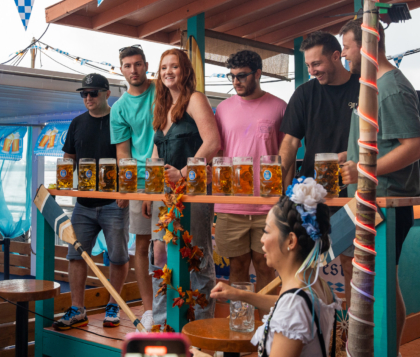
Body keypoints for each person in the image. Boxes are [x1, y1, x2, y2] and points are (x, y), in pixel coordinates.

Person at [339, 18, 420, 354]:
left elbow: (415, 147)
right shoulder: (372, 86)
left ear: (367, 46)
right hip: (365, 204)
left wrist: (361, 171)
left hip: (387, 205)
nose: (344, 54)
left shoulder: (392, 87)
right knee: (369, 285)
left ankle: (391, 351)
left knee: (384, 285)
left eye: (347, 47)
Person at [210, 178, 339, 357]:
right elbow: (285, 304)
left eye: (267, 231)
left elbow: (290, 308)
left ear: (291, 241)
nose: (262, 239)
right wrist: (239, 294)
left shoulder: (293, 304)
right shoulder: (315, 285)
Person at [278, 30, 359, 307]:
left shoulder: (363, 89)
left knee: (352, 267)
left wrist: (351, 155)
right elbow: (289, 143)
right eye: (308, 66)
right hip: (310, 197)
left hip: (352, 193)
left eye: (317, 64)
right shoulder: (304, 94)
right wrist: (276, 182)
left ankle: (352, 335)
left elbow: (379, 138)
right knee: (304, 266)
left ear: (337, 56)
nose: (312, 71)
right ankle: (307, 329)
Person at [144, 49, 221, 325]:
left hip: (194, 191)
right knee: (160, 253)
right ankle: (165, 322)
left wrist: (185, 173)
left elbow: (212, 142)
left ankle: (202, 324)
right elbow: (156, 150)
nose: (168, 72)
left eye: (174, 66)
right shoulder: (162, 106)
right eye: (163, 67)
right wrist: (148, 192)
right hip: (164, 194)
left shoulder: (195, 99)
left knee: (197, 253)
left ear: (185, 70)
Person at [54, 73, 130, 330]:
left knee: (118, 256)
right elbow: (68, 159)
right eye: (84, 94)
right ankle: (77, 309)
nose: (88, 97)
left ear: (107, 94)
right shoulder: (76, 123)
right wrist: (62, 187)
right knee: (75, 255)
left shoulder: (119, 120)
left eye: (93, 93)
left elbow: (126, 157)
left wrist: (125, 192)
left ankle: (114, 305)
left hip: (114, 203)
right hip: (83, 204)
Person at [214, 50, 286, 304]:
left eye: (242, 76)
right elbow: (218, 153)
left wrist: (284, 201)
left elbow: (286, 158)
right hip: (230, 203)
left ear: (258, 73)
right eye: (231, 76)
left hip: (268, 204)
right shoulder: (222, 108)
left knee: (266, 267)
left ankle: (267, 332)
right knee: (237, 267)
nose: (236, 82)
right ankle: (240, 329)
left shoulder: (279, 107)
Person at [110, 44, 156, 329]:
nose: (133, 70)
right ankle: (149, 309)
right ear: (121, 69)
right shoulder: (119, 108)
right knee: (142, 245)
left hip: (168, 178)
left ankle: (172, 305)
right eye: (128, 65)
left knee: (170, 245)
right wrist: (126, 190)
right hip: (138, 183)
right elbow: (123, 154)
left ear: (146, 65)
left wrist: (155, 185)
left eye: (138, 64)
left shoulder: (161, 92)